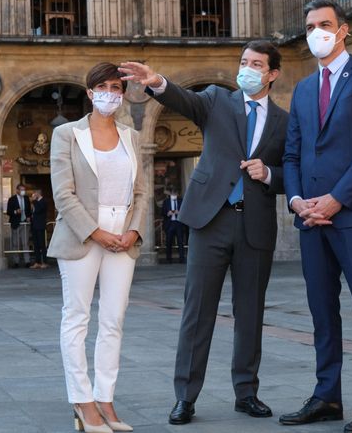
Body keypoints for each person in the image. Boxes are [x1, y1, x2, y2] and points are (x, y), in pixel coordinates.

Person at [120, 39, 289, 425]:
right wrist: (155, 81)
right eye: (244, 61)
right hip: (210, 221)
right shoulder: (216, 100)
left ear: (272, 74)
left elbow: (291, 169)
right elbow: (183, 99)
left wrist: (272, 174)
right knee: (197, 312)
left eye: (257, 64)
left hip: (255, 225)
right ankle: (185, 396)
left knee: (251, 312)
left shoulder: (284, 121)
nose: (247, 68)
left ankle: (246, 392)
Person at [280, 0, 352, 433]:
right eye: (309, 26)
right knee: (321, 313)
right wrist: (297, 201)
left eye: (324, 25)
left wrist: (336, 199)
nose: (316, 33)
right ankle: (327, 396)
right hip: (310, 218)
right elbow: (291, 153)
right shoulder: (304, 89)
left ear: (343, 29)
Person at [48, 62, 147, 433]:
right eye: (103, 86)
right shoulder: (68, 135)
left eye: (117, 87)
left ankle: (106, 398)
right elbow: (63, 193)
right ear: (90, 93)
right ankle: (82, 400)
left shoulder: (130, 134)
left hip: (124, 235)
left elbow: (140, 191)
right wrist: (95, 232)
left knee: (114, 319)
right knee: (77, 318)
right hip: (82, 235)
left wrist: (134, 231)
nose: (111, 93)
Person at [6, 183, 32, 268]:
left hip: (25, 224)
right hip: (15, 223)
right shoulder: (12, 199)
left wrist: (28, 217)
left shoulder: (26, 198)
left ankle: (27, 261)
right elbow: (8, 211)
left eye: (24, 190)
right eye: (21, 190)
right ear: (17, 190)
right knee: (15, 243)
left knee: (25, 243)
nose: (23, 191)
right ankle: (16, 262)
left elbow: (29, 210)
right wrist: (15, 212)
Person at [162, 186, 186, 264]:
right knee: (169, 242)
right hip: (170, 224)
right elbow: (162, 212)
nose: (174, 195)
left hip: (178, 224)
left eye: (175, 193)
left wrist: (180, 213)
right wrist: (167, 213)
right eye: (172, 193)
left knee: (180, 241)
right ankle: (169, 259)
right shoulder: (166, 202)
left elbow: (185, 211)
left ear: (177, 194)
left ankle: (181, 258)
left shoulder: (181, 201)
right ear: (170, 194)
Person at [30, 189, 49, 269]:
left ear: (38, 194)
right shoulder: (36, 202)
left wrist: (34, 201)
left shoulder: (43, 201)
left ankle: (44, 262)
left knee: (42, 244)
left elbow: (38, 210)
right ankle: (37, 262)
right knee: (36, 244)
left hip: (40, 226)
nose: (34, 195)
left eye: (35, 193)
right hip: (34, 225)